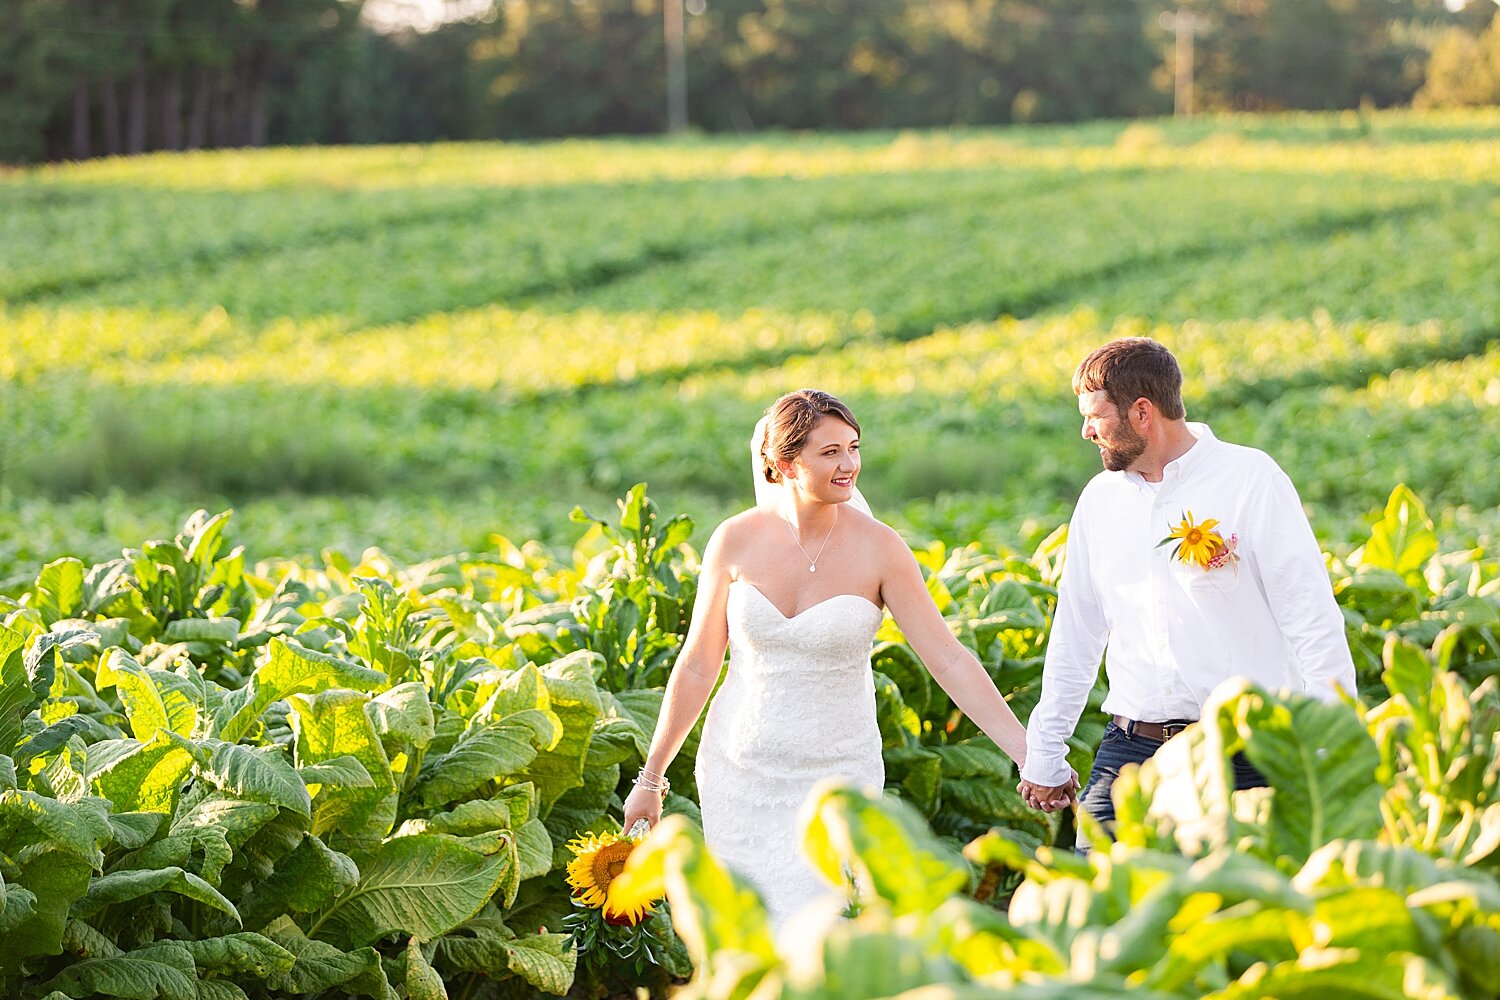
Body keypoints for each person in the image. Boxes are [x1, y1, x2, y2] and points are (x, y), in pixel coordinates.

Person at [622, 388, 1035, 927]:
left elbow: (949, 660)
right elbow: (699, 664)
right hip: (740, 773)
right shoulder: (734, 541)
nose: (849, 465)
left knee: (829, 940)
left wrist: (1029, 753)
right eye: (830, 452)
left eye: (854, 448)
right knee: (750, 939)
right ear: (786, 462)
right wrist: (651, 779)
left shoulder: (881, 549)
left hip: (838, 778)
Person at [1017, 338, 1358, 846]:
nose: (1085, 431)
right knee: (1101, 899)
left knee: (1235, 912)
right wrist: (1045, 751)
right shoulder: (1099, 500)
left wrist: (1334, 750)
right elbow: (1077, 632)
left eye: (1095, 416)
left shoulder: (1250, 479)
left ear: (1141, 413)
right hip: (1131, 746)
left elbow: (1310, 618)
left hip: (1247, 750)